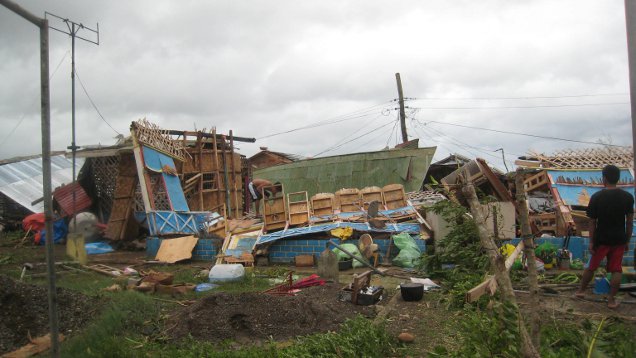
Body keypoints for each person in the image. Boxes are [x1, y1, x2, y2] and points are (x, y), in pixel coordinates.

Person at [575, 164, 634, 308]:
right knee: (616, 269)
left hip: (601, 240)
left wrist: (591, 241)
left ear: (604, 178)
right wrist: (626, 240)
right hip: (619, 239)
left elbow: (592, 223)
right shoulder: (627, 197)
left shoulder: (596, 197)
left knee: (591, 267)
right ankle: (611, 300)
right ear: (618, 179)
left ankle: (581, 291)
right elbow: (630, 222)